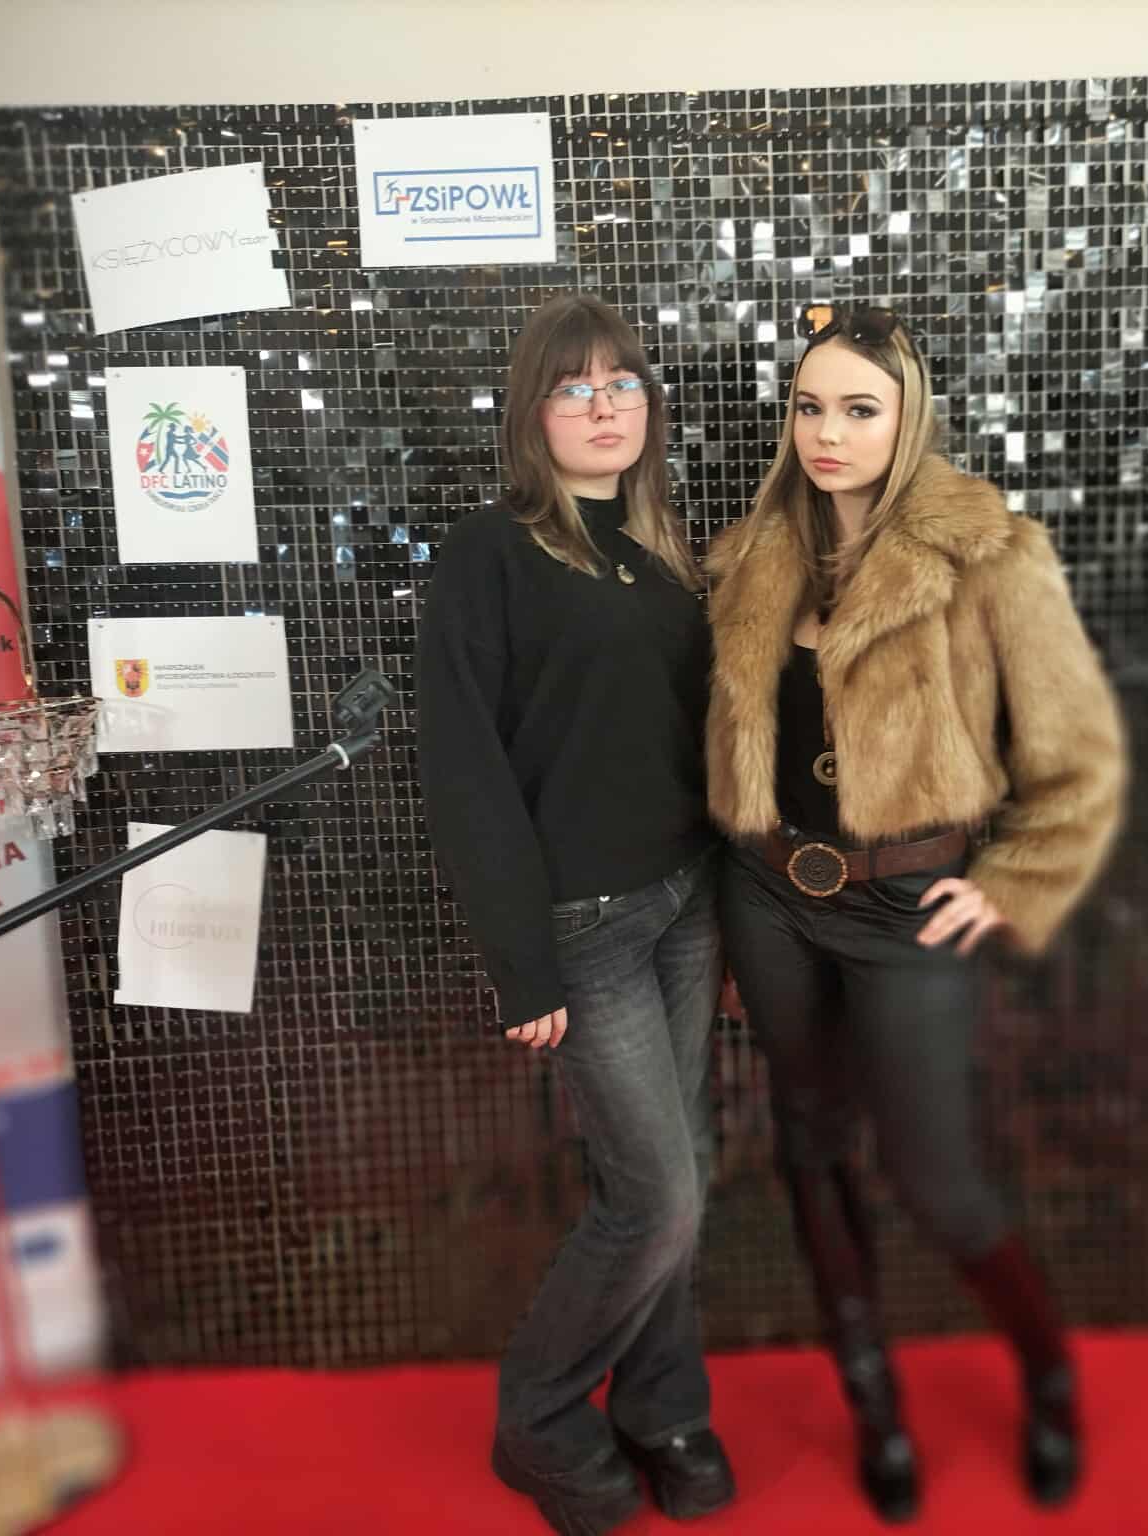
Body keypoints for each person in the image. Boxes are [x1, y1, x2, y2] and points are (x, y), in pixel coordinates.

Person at [705, 304, 1127, 1521]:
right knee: (807, 1145)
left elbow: (1078, 756)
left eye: (857, 409)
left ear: (908, 420)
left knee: (936, 1181)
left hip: (903, 912)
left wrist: (1009, 883)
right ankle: (870, 1400)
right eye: (808, 406)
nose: (826, 432)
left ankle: (1046, 1373)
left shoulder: (989, 555)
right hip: (767, 896)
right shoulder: (752, 556)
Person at [417, 292, 734, 1536]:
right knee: (653, 1196)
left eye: (622, 384)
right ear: (531, 413)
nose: (604, 408)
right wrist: (522, 962)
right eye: (574, 387)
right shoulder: (489, 553)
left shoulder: (666, 556)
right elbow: (463, 766)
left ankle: (663, 1410)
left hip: (685, 903)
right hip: (584, 925)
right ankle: (540, 1422)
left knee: (681, 1171)